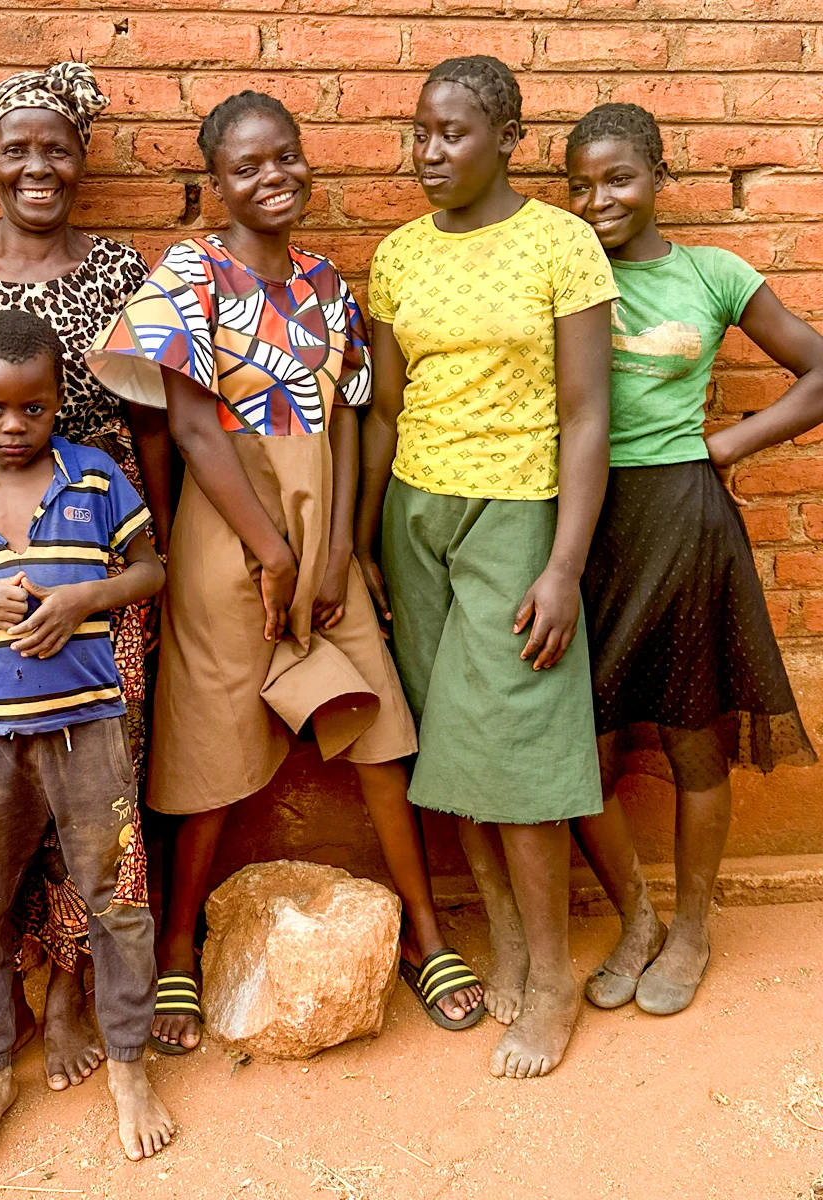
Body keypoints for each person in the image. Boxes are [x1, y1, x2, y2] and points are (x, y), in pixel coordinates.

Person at [88, 90, 485, 1055]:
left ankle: (422, 935)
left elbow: (348, 415)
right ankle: (179, 946)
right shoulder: (190, 275)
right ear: (214, 184)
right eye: (246, 168)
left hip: (322, 540)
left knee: (382, 730)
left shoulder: (325, 282)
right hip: (232, 532)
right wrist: (271, 549)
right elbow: (187, 425)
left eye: (285, 158)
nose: (272, 178)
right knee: (212, 744)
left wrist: (338, 546)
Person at [355, 56, 618, 1079]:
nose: (430, 151)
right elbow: (382, 410)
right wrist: (360, 539)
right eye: (420, 131)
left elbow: (589, 413)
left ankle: (551, 979)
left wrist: (563, 565)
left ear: (508, 139)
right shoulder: (397, 256)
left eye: (453, 132)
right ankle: (505, 929)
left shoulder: (561, 242)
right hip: (416, 514)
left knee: (516, 741)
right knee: (445, 741)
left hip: (517, 512)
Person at [0, 63, 160, 1108]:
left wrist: (147, 574)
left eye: (56, 144)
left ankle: (71, 995)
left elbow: (151, 419)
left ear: (82, 155)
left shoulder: (116, 268)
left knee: (100, 806)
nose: (37, 164)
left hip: (97, 555)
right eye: (16, 146)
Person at [564, 103, 821, 1015]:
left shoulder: (713, 274)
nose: (600, 201)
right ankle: (635, 917)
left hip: (683, 520)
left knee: (691, 737)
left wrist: (727, 446)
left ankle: (695, 927)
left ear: (660, 176)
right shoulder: (560, 271)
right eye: (581, 186)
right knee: (578, 748)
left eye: (619, 179)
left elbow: (818, 371)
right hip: (580, 528)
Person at [0, 310, 172, 1169]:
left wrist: (84, 601)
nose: (13, 427)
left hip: (89, 730)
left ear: (60, 402)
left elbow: (150, 571)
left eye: (34, 409)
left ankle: (128, 1067)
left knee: (116, 900)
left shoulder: (94, 481)